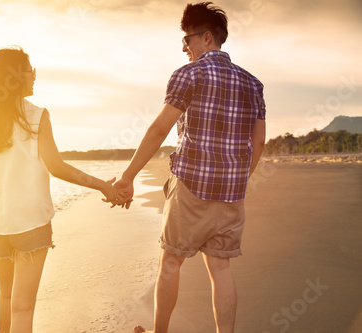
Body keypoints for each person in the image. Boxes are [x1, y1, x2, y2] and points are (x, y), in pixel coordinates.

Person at [108, 3, 266, 333]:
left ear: (207, 37)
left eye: (187, 39)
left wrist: (127, 177)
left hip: (191, 188)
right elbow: (259, 142)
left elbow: (158, 129)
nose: (184, 47)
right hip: (231, 196)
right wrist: (237, 181)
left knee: (170, 261)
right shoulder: (253, 84)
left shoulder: (189, 74)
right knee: (220, 268)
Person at [0, 46, 124, 333]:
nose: (34, 77)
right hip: (30, 223)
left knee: (6, 296)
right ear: (15, 76)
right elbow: (57, 167)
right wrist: (102, 186)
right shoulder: (37, 115)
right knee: (23, 306)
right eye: (30, 71)